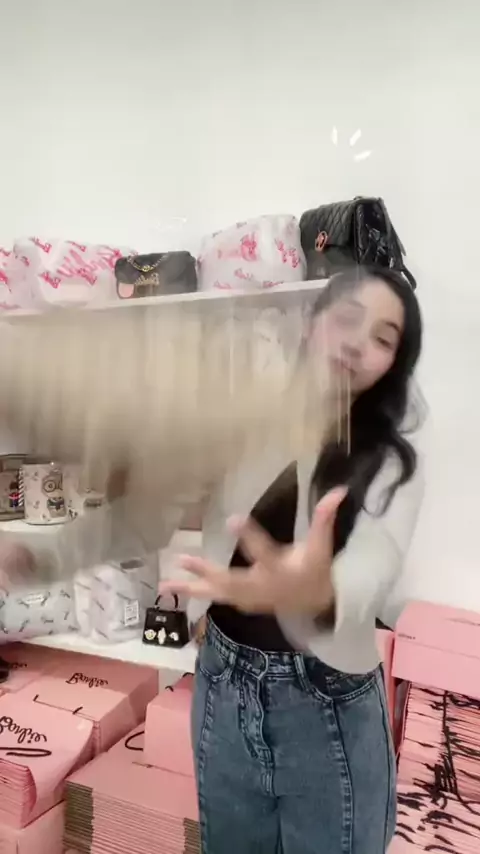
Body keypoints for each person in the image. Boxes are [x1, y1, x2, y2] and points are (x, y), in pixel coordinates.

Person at [161, 265, 425, 854]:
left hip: (327, 703)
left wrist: (321, 594)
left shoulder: (392, 462)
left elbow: (375, 560)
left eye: (383, 338)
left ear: (394, 363)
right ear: (313, 323)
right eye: (348, 318)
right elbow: (198, 513)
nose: (357, 343)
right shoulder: (250, 420)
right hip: (223, 681)